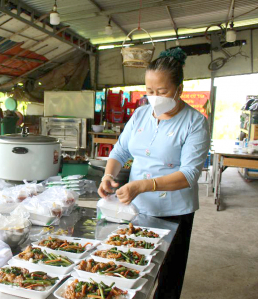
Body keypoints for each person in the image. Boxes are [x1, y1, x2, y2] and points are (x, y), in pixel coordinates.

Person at [98, 48, 210, 299]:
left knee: (168, 275)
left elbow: (189, 174)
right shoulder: (140, 115)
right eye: (149, 91)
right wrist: (108, 175)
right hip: (135, 207)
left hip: (174, 212)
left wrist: (141, 186)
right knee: (129, 264)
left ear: (179, 90)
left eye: (162, 92)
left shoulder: (195, 122)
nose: (155, 98)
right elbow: (121, 150)